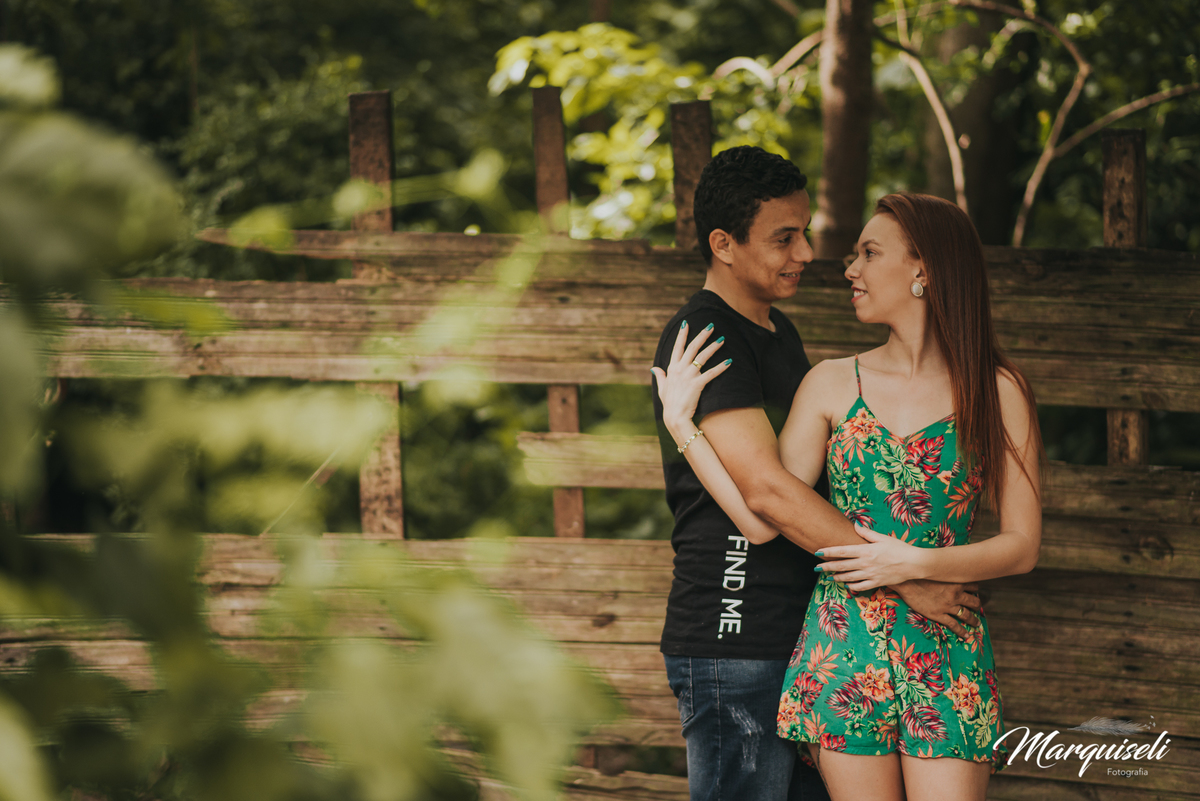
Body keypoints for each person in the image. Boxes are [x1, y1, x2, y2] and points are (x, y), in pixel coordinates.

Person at [653, 190, 1043, 801]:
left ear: (924, 269)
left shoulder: (997, 390)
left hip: (945, 645)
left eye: (868, 252)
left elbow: (1022, 547)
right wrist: (685, 430)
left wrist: (916, 565)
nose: (847, 267)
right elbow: (763, 515)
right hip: (842, 643)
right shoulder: (831, 382)